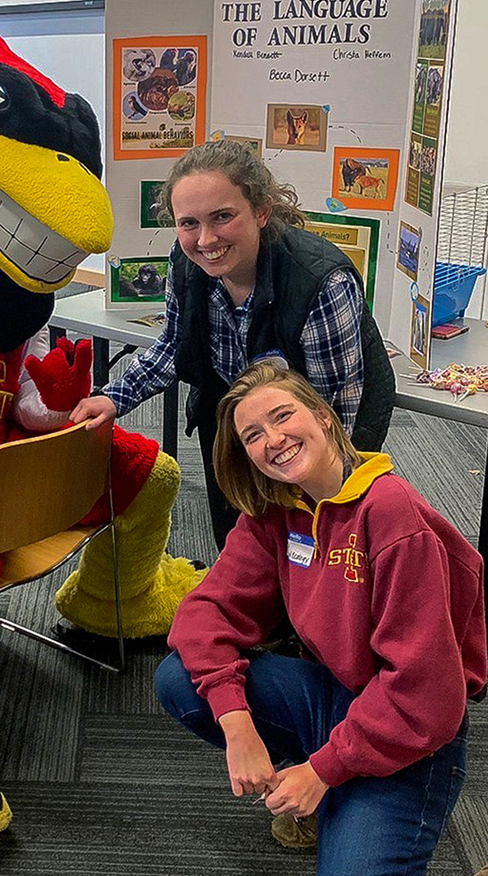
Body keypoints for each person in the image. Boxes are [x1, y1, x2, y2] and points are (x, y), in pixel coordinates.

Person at [155, 361, 486, 874]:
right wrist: (237, 722)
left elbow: (427, 694)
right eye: (253, 435)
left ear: (324, 417)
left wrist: (322, 771)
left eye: (283, 415)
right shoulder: (277, 510)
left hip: (416, 727)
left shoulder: (390, 511)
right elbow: (204, 615)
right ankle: (330, 782)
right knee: (180, 677)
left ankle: (337, 787)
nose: (274, 439)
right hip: (336, 695)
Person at [72, 140, 395, 550]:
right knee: (240, 538)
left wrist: (315, 492)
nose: (206, 239)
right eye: (188, 223)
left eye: (222, 216)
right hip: (236, 408)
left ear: (261, 211)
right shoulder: (186, 261)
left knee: (310, 540)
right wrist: (113, 398)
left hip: (318, 417)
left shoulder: (319, 281)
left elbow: (334, 414)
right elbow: (174, 346)